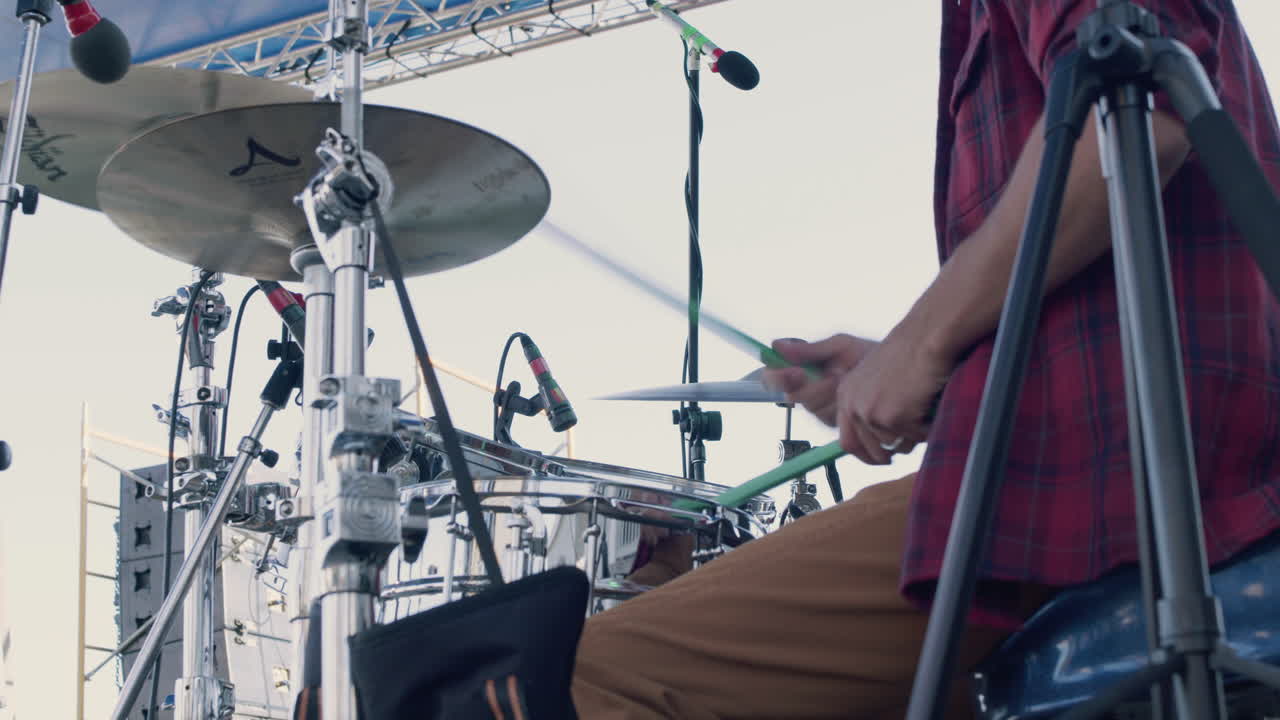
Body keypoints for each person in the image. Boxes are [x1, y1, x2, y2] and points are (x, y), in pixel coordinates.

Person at [571, 0, 1280, 717]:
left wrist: (924, 341)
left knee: (581, 674)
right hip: (1123, 451)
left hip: (1111, 474)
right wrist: (927, 373)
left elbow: (1135, 125)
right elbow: (1101, 301)